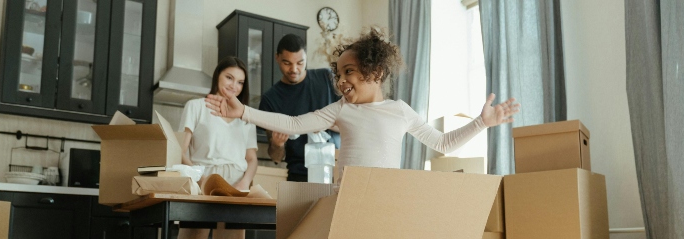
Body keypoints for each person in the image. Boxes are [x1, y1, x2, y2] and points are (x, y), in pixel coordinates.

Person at [205, 28, 519, 183]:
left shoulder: (400, 111)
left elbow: (442, 142)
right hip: (345, 197)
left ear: (376, 72)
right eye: (338, 74)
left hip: (386, 196)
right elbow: (295, 124)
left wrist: (482, 123)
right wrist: (242, 111)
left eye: (349, 72)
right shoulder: (343, 109)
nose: (340, 81)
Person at [157, 57, 258, 239]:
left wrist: (243, 185)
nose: (234, 86)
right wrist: (197, 177)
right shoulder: (196, 106)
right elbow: (180, 149)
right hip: (202, 181)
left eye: (240, 82)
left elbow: (251, 159)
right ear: (217, 77)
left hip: (236, 187)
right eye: (229, 78)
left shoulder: (245, 115)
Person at [259, 33, 341, 182]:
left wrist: (323, 122)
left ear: (306, 58)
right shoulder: (270, 99)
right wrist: (277, 144)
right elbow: (276, 157)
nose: (294, 69)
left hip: (336, 171)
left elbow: (350, 123)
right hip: (299, 176)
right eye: (287, 63)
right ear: (277, 57)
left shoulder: (326, 78)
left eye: (300, 63)